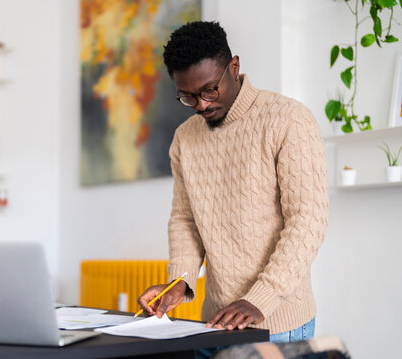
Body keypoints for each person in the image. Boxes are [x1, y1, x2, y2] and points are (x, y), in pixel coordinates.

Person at [136, 21, 329, 354]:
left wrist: (259, 300)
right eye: (188, 96)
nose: (202, 105)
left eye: (210, 89)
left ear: (234, 67)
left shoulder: (288, 119)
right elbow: (185, 220)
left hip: (279, 326)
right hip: (212, 323)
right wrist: (179, 281)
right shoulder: (185, 137)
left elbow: (308, 222)